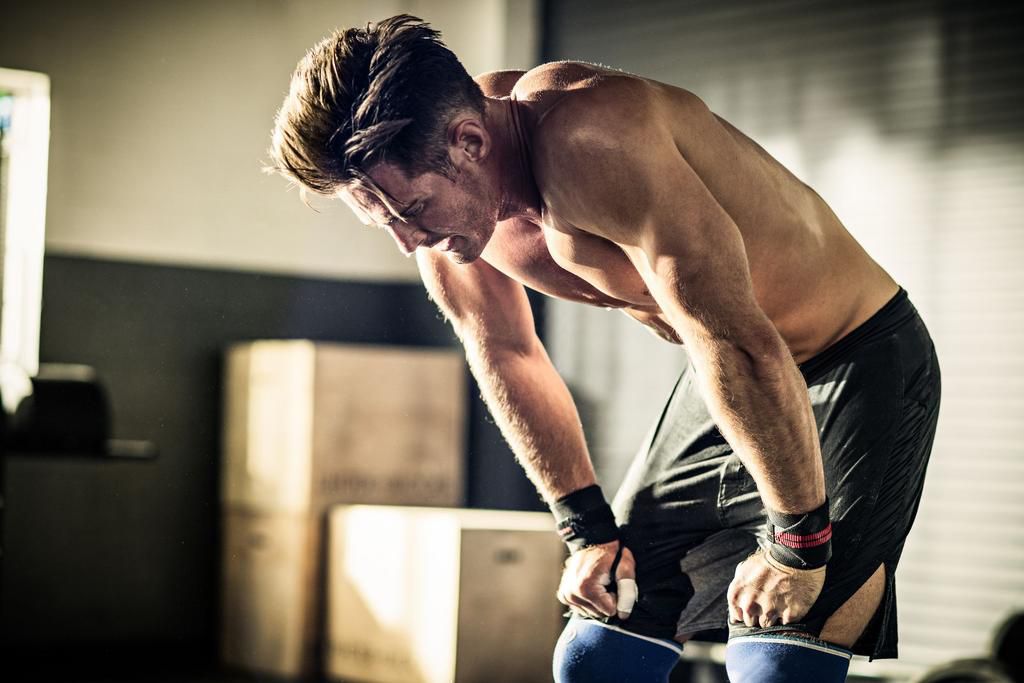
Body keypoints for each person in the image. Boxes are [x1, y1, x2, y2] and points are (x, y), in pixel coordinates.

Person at [267, 15, 941, 683]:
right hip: (731, 373)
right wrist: (587, 530)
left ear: (469, 140)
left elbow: (737, 339)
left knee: (776, 666)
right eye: (383, 220)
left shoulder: (591, 136)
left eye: (411, 211)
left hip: (855, 357)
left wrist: (798, 543)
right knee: (599, 656)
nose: (408, 242)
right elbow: (506, 353)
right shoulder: (448, 214)